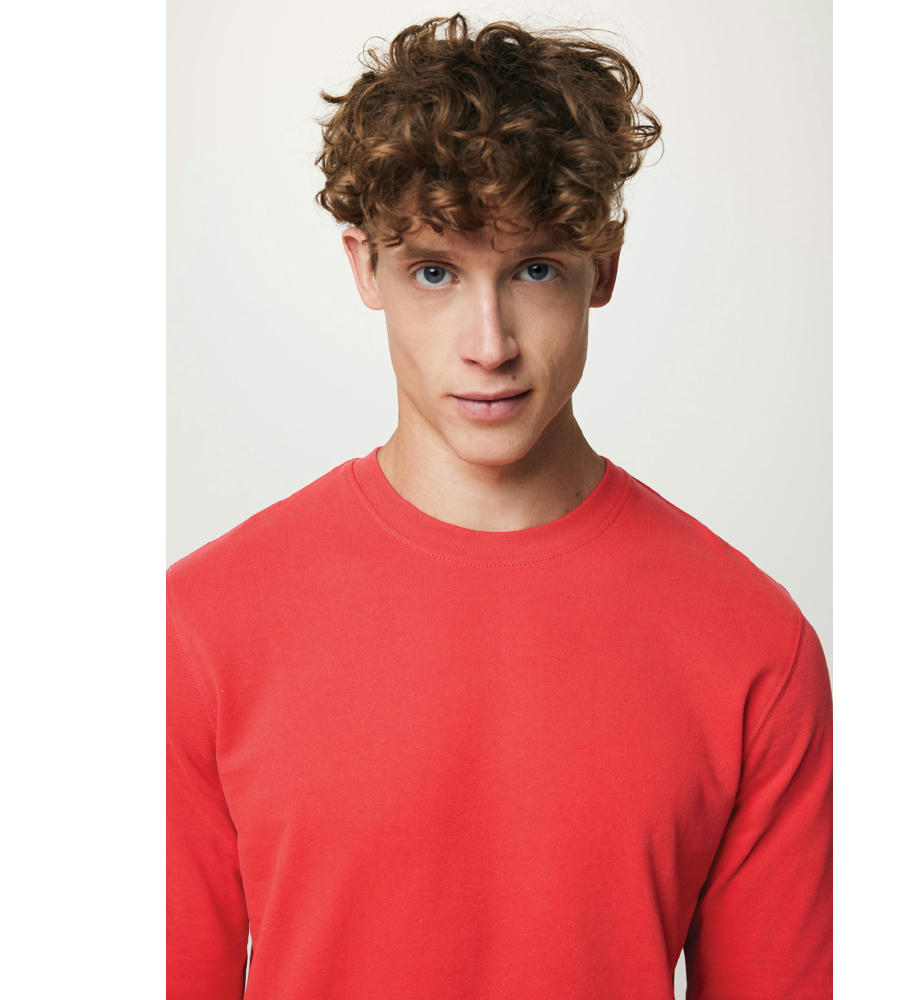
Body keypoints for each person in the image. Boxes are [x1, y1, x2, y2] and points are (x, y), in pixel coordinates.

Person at [167, 13, 832, 999]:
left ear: (604, 268)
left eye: (535, 269)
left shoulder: (753, 647)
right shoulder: (202, 628)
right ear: (364, 268)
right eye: (435, 272)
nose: (490, 343)